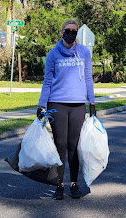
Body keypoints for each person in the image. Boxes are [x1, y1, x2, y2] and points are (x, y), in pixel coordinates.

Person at [37, 19, 95, 200]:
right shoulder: (53, 54)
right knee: (60, 145)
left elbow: (88, 78)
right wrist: (41, 104)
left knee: (74, 146)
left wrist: (92, 103)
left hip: (78, 106)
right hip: (57, 105)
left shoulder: (84, 52)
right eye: (68, 30)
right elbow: (47, 81)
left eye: (74, 31)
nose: (71, 33)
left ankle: (74, 184)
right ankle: (59, 185)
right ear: (62, 32)